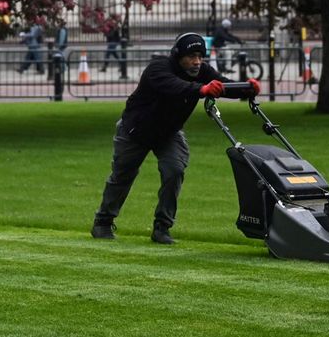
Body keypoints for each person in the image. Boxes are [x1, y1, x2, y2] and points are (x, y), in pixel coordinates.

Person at [90, 32, 258, 245]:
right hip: (135, 131)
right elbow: (174, 86)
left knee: (174, 170)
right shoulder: (158, 69)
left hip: (169, 133)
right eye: (191, 56)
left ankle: (162, 227)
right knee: (123, 175)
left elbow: (222, 85)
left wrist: (247, 88)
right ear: (178, 56)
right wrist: (202, 89)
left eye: (200, 56)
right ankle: (103, 222)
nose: (197, 61)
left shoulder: (202, 72)